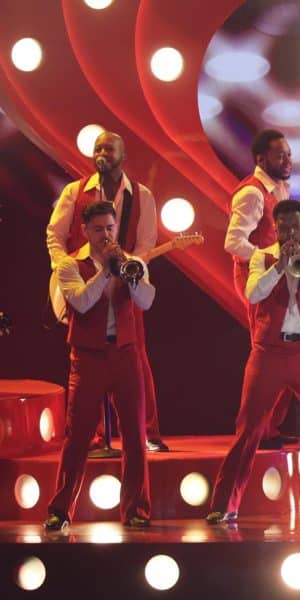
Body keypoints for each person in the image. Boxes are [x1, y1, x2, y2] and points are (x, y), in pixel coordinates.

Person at [208, 200, 300, 525]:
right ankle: (225, 504)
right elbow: (253, 295)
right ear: (275, 227)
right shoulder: (261, 256)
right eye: (283, 227)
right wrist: (278, 267)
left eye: (294, 226)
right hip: (269, 352)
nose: (289, 233)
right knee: (248, 429)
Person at [46, 131, 168, 452]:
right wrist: (65, 267)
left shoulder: (141, 195)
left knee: (135, 355)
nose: (102, 152)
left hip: (123, 281)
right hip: (84, 278)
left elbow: (144, 245)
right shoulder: (76, 191)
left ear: (123, 155)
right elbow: (54, 234)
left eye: (109, 148)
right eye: (98, 147)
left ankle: (147, 432)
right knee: (88, 358)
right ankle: (93, 434)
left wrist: (129, 271)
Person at [44, 201, 155, 530]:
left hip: (125, 354)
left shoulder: (131, 263)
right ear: (84, 231)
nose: (105, 235)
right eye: (98, 229)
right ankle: (60, 510)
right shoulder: (69, 264)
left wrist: (128, 275)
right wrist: (106, 271)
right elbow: (80, 301)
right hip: (88, 357)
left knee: (135, 436)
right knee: (77, 437)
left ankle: (136, 511)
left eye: (109, 228)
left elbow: (147, 301)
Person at [223, 129, 299, 450]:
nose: (287, 160)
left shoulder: (281, 187)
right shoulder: (252, 193)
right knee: (270, 358)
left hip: (279, 278)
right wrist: (269, 258)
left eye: (288, 154)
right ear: (261, 159)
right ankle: (256, 431)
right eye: (280, 155)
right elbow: (233, 243)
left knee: (289, 355)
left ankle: (269, 428)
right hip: (258, 280)